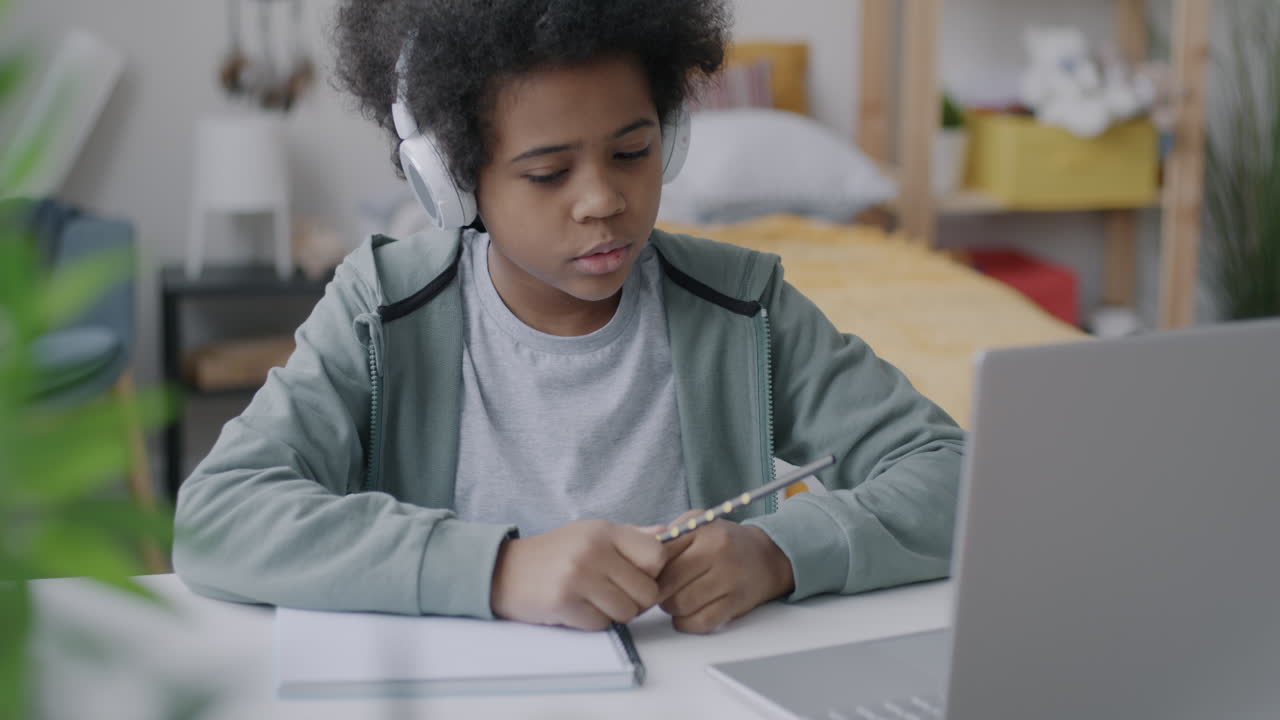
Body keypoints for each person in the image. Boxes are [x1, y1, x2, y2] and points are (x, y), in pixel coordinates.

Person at [172, 0, 965, 635]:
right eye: (548, 172)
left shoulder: (741, 305)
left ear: (674, 139)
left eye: (632, 153)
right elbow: (219, 518)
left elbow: (953, 474)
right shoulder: (382, 304)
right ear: (452, 181)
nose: (603, 201)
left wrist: (778, 552)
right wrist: (497, 570)